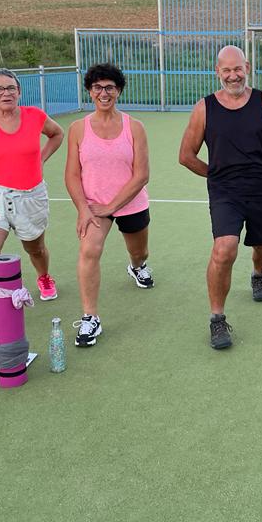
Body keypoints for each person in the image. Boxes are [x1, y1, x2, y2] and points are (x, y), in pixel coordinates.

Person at [178, 45, 262, 350]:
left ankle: (259, 274)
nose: (233, 76)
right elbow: (186, 155)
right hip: (225, 193)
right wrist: (216, 175)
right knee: (224, 248)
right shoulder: (204, 108)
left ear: (247, 67)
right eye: (226, 70)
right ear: (217, 72)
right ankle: (217, 318)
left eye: (238, 69)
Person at [0, 69, 65, 343]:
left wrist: (41, 160)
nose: (5, 93)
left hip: (30, 197)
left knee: (35, 248)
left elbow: (57, 134)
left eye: (10, 88)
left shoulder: (35, 116)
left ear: (19, 92)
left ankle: (44, 276)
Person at [64, 63, 152, 347]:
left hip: (130, 202)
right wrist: (83, 208)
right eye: (98, 87)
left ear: (119, 91)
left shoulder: (134, 127)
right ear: (90, 91)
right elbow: (72, 174)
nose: (104, 93)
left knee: (139, 252)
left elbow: (142, 175)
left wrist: (112, 205)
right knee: (89, 249)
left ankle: (137, 266)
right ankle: (91, 318)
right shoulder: (78, 129)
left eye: (110, 87)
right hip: (93, 206)